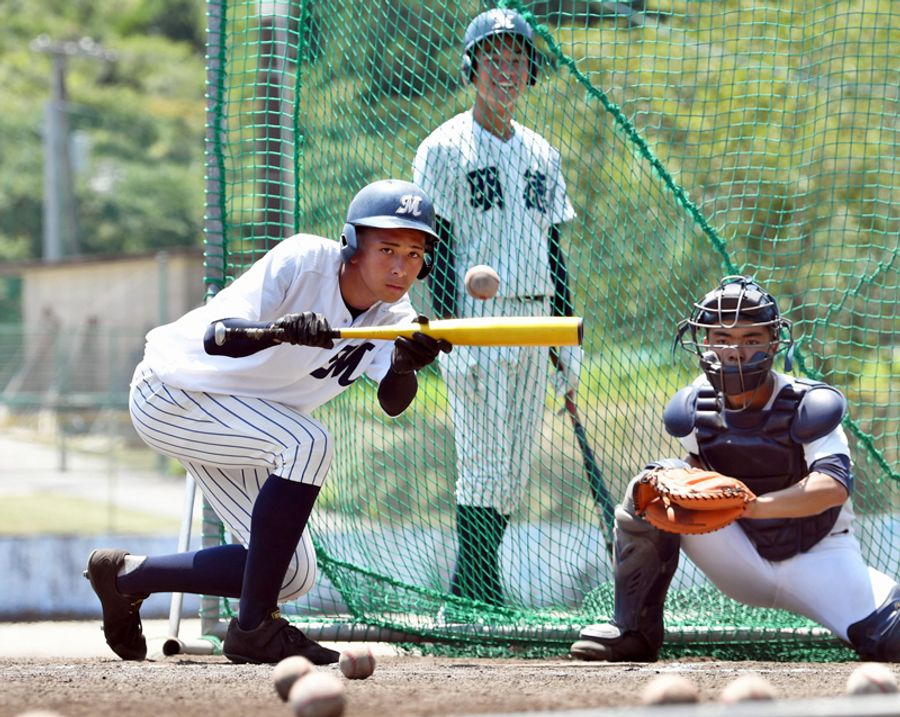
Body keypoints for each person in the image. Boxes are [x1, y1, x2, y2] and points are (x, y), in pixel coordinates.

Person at [85, 179, 452, 664]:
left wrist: (406, 364)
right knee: (309, 442)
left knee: (292, 573)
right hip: (174, 393)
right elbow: (218, 336)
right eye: (387, 248)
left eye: (413, 252)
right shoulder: (303, 261)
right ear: (352, 245)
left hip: (246, 424)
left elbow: (392, 401)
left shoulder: (394, 315)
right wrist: (279, 331)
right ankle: (254, 629)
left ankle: (127, 577)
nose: (401, 265)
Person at [570, 275, 900, 662]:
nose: (735, 351)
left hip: (820, 554)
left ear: (774, 343)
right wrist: (696, 487)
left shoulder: (810, 403)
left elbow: (831, 487)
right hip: (738, 554)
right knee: (655, 484)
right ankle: (633, 631)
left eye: (751, 339)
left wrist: (753, 504)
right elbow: (694, 471)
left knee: (891, 640)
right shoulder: (695, 406)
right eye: (722, 339)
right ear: (704, 342)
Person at [412, 8, 578, 606]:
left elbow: (554, 250)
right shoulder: (444, 148)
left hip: (536, 318)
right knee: (481, 460)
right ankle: (480, 590)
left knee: (513, 471)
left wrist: (564, 337)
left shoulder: (544, 154)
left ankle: (473, 586)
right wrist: (447, 332)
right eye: (493, 59)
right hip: (475, 322)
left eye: (517, 60)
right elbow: (435, 247)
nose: (505, 71)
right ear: (472, 67)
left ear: (530, 71)